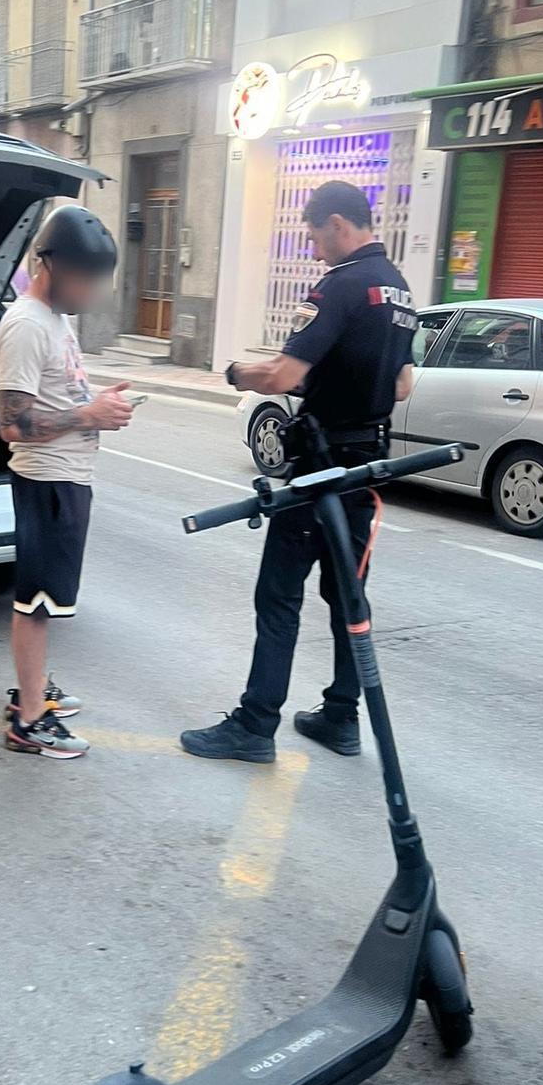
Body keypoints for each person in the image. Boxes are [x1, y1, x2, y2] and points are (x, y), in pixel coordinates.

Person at [181, 179, 417, 765]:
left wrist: (237, 373)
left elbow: (284, 376)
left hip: (320, 470)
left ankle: (256, 724)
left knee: (279, 595)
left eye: (314, 235)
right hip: (366, 471)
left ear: (336, 224)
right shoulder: (400, 287)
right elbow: (403, 383)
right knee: (346, 597)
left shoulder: (339, 286)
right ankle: (341, 717)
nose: (313, 249)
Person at [0, 204, 136, 759]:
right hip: (47, 480)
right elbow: (12, 423)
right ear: (51, 266)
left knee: (46, 601)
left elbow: (57, 394)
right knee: (36, 601)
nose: (94, 291)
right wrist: (89, 416)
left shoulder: (55, 318)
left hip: (67, 478)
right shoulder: (27, 324)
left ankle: (31, 689)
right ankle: (29, 719)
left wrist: (98, 402)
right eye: (87, 278)